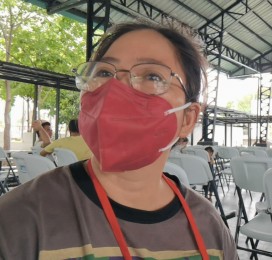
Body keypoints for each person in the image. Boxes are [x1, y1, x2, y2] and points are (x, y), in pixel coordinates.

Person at [0, 21, 238, 259]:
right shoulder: (19, 219)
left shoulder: (208, 226)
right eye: (104, 72)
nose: (116, 88)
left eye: (152, 76)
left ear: (188, 118)